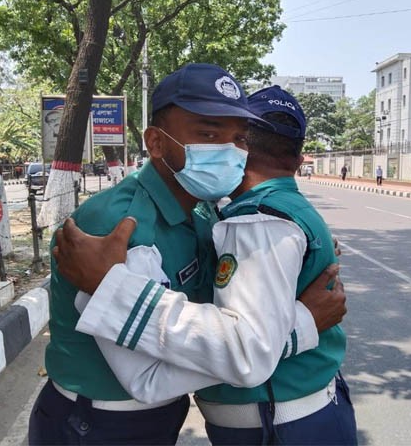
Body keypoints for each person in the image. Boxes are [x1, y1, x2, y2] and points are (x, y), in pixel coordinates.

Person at [29, 64, 343, 445]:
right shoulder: (115, 226)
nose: (229, 151)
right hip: (97, 426)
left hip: (157, 420)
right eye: (208, 133)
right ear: (157, 143)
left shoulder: (202, 210)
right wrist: (295, 327)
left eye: (240, 138)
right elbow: (149, 378)